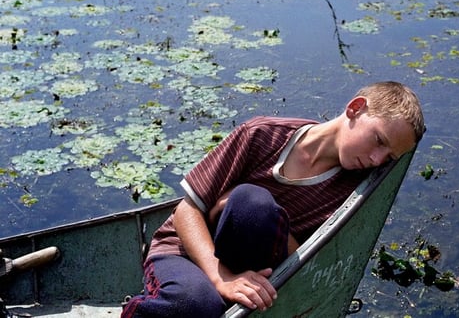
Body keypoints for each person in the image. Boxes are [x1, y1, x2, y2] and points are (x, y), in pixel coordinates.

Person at [121, 81, 425, 318]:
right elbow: (186, 211)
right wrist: (221, 277)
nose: (376, 159)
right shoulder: (262, 135)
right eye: (378, 141)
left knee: (252, 209)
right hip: (185, 252)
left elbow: (315, 258)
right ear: (355, 109)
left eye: (388, 157)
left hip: (256, 266)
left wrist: (233, 210)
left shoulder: (355, 189)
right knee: (194, 303)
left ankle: (227, 297)